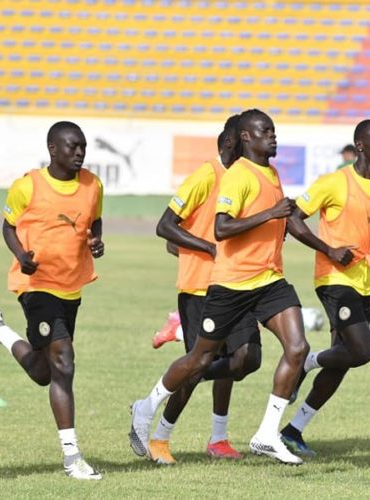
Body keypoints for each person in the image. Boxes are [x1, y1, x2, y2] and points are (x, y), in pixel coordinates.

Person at [129, 109, 309, 465]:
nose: (273, 137)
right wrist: (213, 244)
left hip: (267, 280)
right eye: (265, 131)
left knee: (266, 354)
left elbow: (278, 219)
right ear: (240, 138)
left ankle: (257, 434)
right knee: (199, 361)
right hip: (220, 284)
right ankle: (151, 412)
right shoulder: (222, 175)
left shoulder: (270, 173)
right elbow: (211, 228)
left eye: (274, 131)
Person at [0, 121, 104, 480]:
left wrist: (95, 242)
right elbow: (8, 226)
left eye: (83, 147)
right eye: (72, 147)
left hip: (72, 286)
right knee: (65, 363)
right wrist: (22, 255)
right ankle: (72, 458)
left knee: (44, 372)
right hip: (36, 284)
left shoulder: (93, 184)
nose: (79, 153)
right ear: (53, 149)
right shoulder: (28, 186)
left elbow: (94, 222)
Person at [282, 119, 370, 457]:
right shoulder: (335, 183)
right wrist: (328, 249)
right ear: (360, 145)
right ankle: (307, 362)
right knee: (361, 351)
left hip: (365, 283)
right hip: (333, 280)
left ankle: (293, 430)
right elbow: (293, 217)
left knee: (342, 361)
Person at [148, 115, 262, 464]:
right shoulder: (206, 175)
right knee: (201, 365)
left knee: (244, 359)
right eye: (244, 139)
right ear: (231, 142)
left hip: (236, 285)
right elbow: (166, 227)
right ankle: (159, 437)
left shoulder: (247, 178)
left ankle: (218, 438)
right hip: (200, 289)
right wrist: (208, 248)